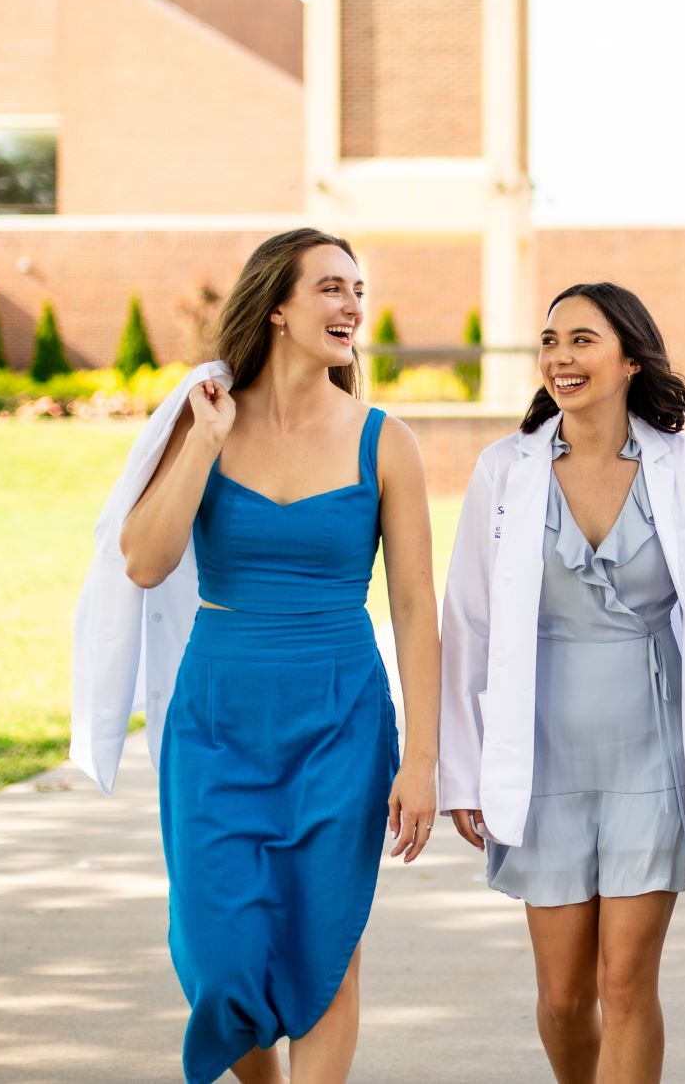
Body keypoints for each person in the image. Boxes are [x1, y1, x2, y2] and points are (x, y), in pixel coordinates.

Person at [115, 228, 440, 1084]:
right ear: (280, 307)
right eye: (331, 287)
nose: (351, 305)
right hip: (218, 713)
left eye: (357, 289)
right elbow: (145, 560)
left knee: (323, 941)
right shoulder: (204, 418)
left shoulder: (384, 440)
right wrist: (205, 441)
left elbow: (413, 607)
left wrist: (423, 759)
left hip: (339, 716)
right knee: (223, 955)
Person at [438, 282, 685, 1084]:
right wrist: (460, 767)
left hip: (654, 748)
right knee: (566, 995)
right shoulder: (506, 469)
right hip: (540, 752)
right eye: (550, 342)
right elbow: (466, 619)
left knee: (625, 983)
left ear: (630, 358)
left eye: (581, 339)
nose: (559, 358)